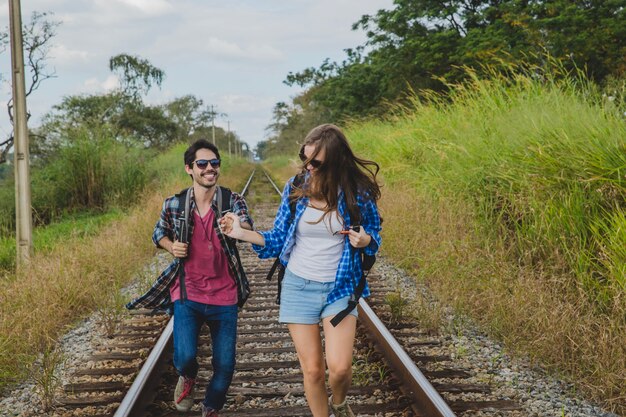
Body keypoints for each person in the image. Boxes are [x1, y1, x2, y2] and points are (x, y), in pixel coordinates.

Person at [221, 124, 382, 417]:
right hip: (298, 286)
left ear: (335, 161)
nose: (309, 167)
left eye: (316, 163)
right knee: (313, 371)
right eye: (305, 159)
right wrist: (242, 233)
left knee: (340, 369)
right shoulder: (296, 188)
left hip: (340, 288)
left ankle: (340, 402)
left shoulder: (357, 192)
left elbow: (374, 234)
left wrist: (366, 239)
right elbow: (277, 240)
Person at [126, 139, 253, 417]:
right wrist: (171, 246)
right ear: (189, 169)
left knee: (225, 365)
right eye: (203, 164)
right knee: (185, 357)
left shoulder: (232, 201)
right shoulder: (174, 204)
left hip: (225, 294)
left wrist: (237, 225)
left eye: (215, 163)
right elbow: (157, 233)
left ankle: (211, 407)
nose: (210, 168)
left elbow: (245, 222)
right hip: (188, 293)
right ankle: (189, 377)